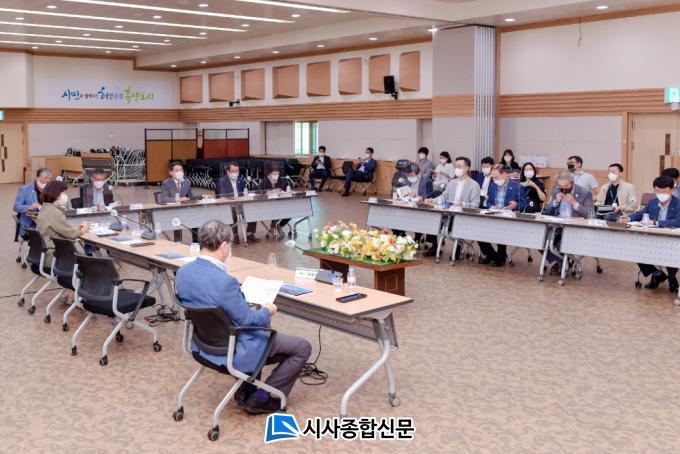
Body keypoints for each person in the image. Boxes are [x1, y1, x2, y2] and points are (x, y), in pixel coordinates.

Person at [176, 220, 311, 414]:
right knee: (302, 347)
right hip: (232, 349)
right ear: (224, 245)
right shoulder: (225, 282)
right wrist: (267, 310)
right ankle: (263, 398)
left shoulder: (183, 272)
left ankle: (246, 390)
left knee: (254, 330)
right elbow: (248, 321)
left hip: (203, 345)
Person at [620, 176, 680, 292]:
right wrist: (628, 218)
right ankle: (657, 274)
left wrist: (656, 222)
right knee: (637, 250)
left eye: (664, 191)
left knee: (672, 252)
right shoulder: (653, 202)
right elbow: (641, 214)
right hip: (653, 237)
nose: (661, 194)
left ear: (672, 190)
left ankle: (672, 278)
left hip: (672, 238)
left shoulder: (678, 203)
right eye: (657, 191)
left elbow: (678, 221)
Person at [425, 157, 481, 257]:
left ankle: (457, 248)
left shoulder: (474, 185)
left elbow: (475, 205)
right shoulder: (451, 183)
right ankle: (434, 247)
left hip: (463, 216)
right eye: (456, 166)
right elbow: (443, 197)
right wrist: (432, 200)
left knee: (454, 223)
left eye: (459, 166)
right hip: (449, 214)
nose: (456, 169)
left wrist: (463, 204)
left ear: (466, 168)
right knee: (432, 219)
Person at [542, 171, 594, 275]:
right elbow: (547, 211)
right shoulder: (556, 190)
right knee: (540, 239)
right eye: (560, 186)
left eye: (566, 186)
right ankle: (563, 261)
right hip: (557, 226)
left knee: (560, 244)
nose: (563, 189)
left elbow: (590, 215)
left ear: (572, 183)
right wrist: (555, 202)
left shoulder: (584, 193)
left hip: (574, 228)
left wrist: (574, 203)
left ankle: (564, 262)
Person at [35, 180, 90, 267]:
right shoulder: (55, 213)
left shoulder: (44, 208)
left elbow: (61, 230)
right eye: (63, 193)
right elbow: (71, 235)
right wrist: (83, 230)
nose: (64, 195)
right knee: (89, 262)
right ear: (56, 194)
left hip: (42, 254)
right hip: (55, 257)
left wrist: (78, 228)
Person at [478, 165, 522, 266]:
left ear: (505, 174)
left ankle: (501, 257)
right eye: (493, 178)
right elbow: (488, 201)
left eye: (496, 177)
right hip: (494, 216)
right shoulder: (493, 185)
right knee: (478, 230)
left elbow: (523, 204)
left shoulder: (516, 186)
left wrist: (516, 204)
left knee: (501, 229)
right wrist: (491, 206)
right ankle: (492, 255)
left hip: (508, 219)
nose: (494, 180)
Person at [215, 163, 259, 244]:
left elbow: (244, 193)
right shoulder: (221, 181)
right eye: (233, 171)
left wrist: (247, 196)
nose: (235, 173)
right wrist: (234, 200)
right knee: (233, 212)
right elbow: (221, 195)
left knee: (253, 211)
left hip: (240, 205)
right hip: (228, 206)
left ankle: (249, 234)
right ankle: (234, 235)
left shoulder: (240, 180)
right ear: (227, 171)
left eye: (237, 171)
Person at [14, 168, 53, 237]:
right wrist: (29, 207)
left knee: (59, 231)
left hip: (46, 220)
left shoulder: (49, 189)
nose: (46, 183)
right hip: (30, 223)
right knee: (45, 235)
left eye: (48, 180)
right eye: (44, 180)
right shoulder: (25, 189)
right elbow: (16, 207)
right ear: (37, 178)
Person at [262, 166, 290, 238]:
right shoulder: (265, 181)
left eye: (277, 174)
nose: (276, 176)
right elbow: (261, 192)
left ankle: (279, 226)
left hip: (279, 202)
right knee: (276, 210)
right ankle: (273, 226)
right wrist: (271, 191)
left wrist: (284, 191)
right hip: (267, 204)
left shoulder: (280, 180)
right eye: (274, 174)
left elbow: (285, 189)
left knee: (291, 210)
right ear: (270, 174)